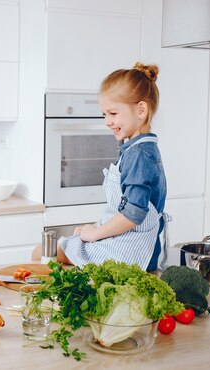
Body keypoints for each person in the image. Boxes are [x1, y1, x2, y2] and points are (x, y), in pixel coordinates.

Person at [36, 62, 169, 272]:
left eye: (113, 113)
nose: (107, 121)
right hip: (129, 247)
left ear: (141, 110)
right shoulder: (137, 148)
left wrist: (95, 234)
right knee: (50, 252)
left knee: (41, 253)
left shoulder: (139, 155)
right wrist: (96, 229)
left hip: (130, 253)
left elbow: (133, 214)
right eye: (104, 115)